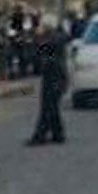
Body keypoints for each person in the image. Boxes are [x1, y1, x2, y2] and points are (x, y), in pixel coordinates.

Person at [26, 13, 69, 146]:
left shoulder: (54, 38)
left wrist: (37, 36)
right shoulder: (57, 36)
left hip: (55, 74)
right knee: (52, 106)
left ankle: (40, 135)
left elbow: (41, 49)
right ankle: (58, 133)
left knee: (48, 106)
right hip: (54, 74)